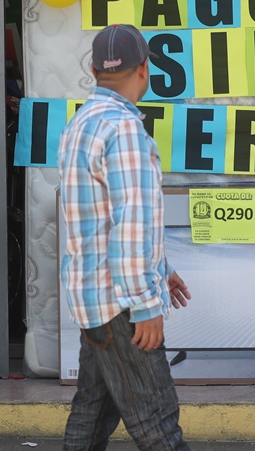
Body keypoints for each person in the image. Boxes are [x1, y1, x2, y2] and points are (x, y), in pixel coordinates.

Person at [58, 24, 194, 451]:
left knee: (93, 411)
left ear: (95, 69)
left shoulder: (80, 124)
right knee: (157, 421)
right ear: (144, 68)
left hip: (92, 296)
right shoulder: (124, 129)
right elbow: (131, 221)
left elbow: (99, 218)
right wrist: (145, 303)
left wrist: (162, 269)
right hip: (120, 301)